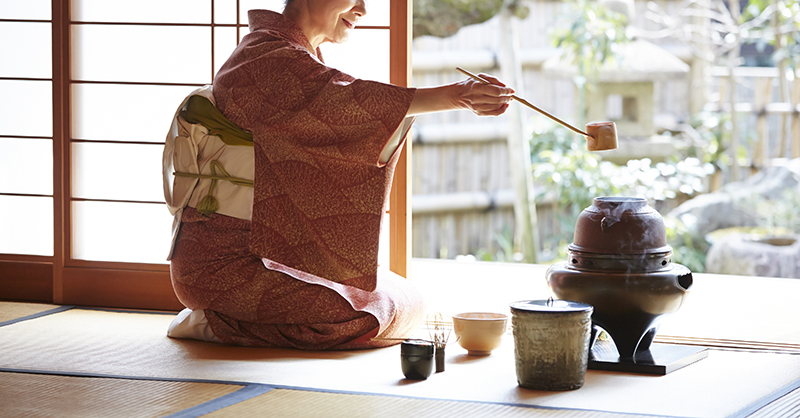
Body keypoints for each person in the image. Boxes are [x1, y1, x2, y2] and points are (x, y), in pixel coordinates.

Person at [162, 0, 514, 350]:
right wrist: (456, 96)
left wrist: (460, 96)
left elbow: (335, 106)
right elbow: (348, 102)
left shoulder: (288, 53)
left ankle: (232, 319)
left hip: (273, 251)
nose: (362, 10)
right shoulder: (263, 58)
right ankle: (213, 321)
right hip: (224, 262)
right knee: (362, 317)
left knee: (407, 303)